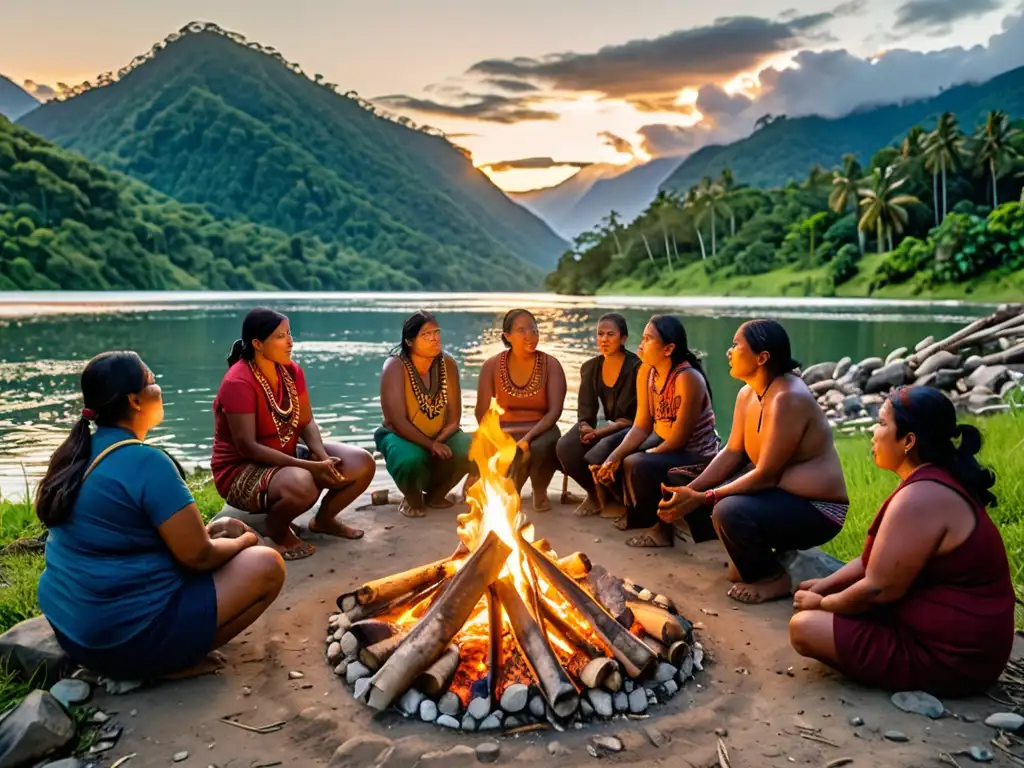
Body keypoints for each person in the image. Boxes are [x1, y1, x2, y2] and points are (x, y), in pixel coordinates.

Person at [36, 351, 285, 682]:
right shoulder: (146, 463)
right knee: (268, 565)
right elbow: (199, 556)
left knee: (221, 532)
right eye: (152, 381)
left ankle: (156, 653)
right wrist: (246, 540)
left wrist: (215, 531)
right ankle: (167, 664)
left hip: (73, 632)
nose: (159, 388)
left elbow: (133, 538)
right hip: (121, 640)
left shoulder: (75, 453)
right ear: (135, 401)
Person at [789, 387, 1014, 697]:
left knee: (804, 628)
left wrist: (822, 603)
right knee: (813, 604)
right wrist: (824, 586)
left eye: (882, 423)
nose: (873, 431)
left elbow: (878, 588)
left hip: (955, 660)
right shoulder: (929, 482)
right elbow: (874, 564)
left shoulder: (922, 497)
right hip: (949, 639)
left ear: (909, 441)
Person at [658, 319, 847, 604]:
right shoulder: (747, 393)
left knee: (727, 509)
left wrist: (703, 497)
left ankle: (774, 577)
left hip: (818, 510)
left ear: (762, 357)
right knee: (683, 478)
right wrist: (691, 490)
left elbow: (766, 475)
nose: (729, 351)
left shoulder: (788, 397)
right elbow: (733, 452)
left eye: (736, 345)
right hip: (778, 495)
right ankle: (747, 558)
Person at [211, 307, 375, 560]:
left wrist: (320, 457)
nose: (290, 342)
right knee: (303, 483)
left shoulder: (290, 371)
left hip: (284, 456)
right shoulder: (238, 383)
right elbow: (248, 447)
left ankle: (324, 520)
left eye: (289, 333)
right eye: (280, 336)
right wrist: (308, 467)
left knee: (361, 463)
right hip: (240, 470)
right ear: (257, 343)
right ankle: (275, 531)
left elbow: (306, 422)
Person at [593, 315, 720, 547]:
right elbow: (641, 425)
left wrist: (643, 455)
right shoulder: (647, 372)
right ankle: (638, 516)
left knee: (637, 463)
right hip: (665, 440)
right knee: (613, 458)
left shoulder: (687, 377)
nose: (641, 344)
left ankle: (661, 529)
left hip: (696, 452)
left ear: (669, 348)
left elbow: (679, 439)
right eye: (642, 337)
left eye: (648, 339)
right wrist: (614, 457)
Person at [375, 311, 473, 517]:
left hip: (441, 434)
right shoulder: (395, 366)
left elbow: (454, 418)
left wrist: (440, 440)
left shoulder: (448, 364)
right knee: (411, 459)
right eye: (426, 334)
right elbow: (397, 421)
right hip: (399, 435)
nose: (435, 338)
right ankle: (412, 498)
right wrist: (430, 445)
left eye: (436, 332)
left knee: (469, 448)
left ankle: (436, 496)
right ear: (410, 341)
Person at [476, 308, 566, 512]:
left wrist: (527, 439)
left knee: (544, 444)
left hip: (541, 429)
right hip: (504, 429)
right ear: (507, 336)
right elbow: (481, 412)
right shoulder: (491, 366)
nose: (530, 336)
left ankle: (540, 490)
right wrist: (496, 437)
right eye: (521, 330)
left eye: (534, 330)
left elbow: (554, 413)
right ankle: (498, 489)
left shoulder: (551, 365)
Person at [556, 314, 642, 517]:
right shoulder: (591, 367)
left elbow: (638, 418)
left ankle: (616, 497)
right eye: (600, 334)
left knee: (602, 446)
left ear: (623, 339)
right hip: (610, 427)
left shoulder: (637, 368)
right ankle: (594, 493)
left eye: (610, 334)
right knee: (566, 446)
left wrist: (602, 431)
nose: (604, 339)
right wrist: (586, 426)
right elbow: (585, 409)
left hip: (633, 428)